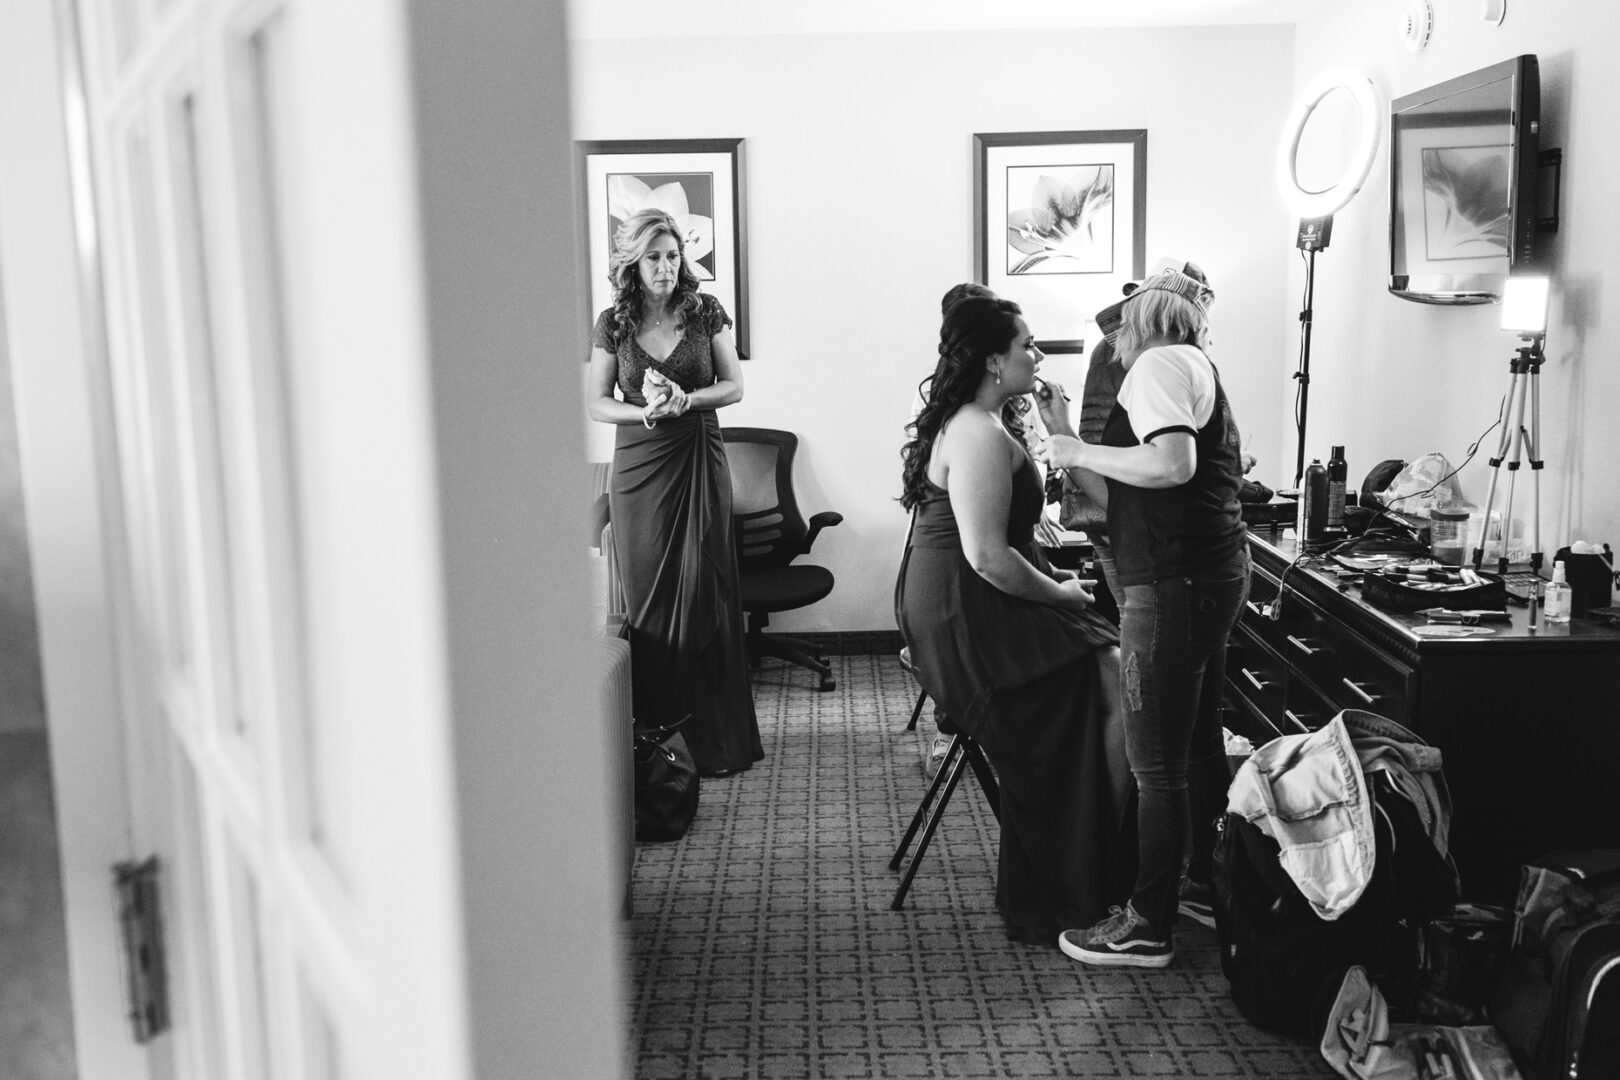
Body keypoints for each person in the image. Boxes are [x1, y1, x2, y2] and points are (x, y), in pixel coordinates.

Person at [896, 295, 1133, 945]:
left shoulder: (985, 420)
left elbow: (1004, 540)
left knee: (1111, 669)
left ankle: (1100, 859)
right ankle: (1089, 874)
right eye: (1027, 344)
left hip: (976, 599)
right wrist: (1058, 595)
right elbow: (986, 555)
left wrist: (1052, 579)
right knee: (1110, 676)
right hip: (966, 614)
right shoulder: (975, 430)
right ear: (995, 361)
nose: (1038, 353)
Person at [1036, 268, 1249, 968]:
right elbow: (1132, 482)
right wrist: (1067, 433)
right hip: (1207, 571)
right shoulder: (1193, 363)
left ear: (1143, 319)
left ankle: (1148, 924)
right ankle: (1205, 885)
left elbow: (1172, 464)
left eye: (1119, 327)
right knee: (1195, 750)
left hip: (1172, 583)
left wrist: (1074, 450)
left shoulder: (1158, 364)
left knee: (1155, 764)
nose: (1115, 342)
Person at [587, 208, 762, 777]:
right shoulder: (613, 323)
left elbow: (733, 387)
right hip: (640, 466)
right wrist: (645, 411)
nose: (665, 267)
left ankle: (712, 738)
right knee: (649, 601)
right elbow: (596, 402)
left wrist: (687, 400)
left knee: (703, 590)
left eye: (672, 254)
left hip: (697, 456)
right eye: (653, 257)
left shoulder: (705, 311)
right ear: (632, 264)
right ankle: (655, 737)